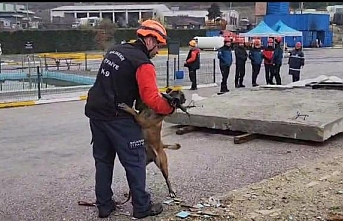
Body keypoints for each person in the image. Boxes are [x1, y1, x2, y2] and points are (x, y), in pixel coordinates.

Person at [84, 19, 175, 219]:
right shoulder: (143, 64)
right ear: (150, 40)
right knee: (135, 162)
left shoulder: (116, 50)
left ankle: (104, 205)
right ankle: (142, 207)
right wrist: (169, 107)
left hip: (96, 113)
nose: (158, 51)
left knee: (103, 161)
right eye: (158, 46)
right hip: (117, 117)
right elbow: (151, 98)